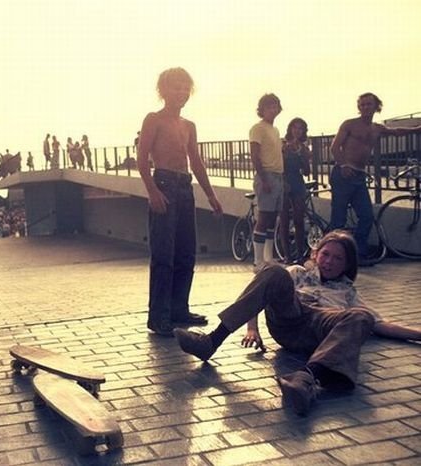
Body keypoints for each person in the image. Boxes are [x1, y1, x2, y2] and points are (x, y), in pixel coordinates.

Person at [174, 230, 421, 416]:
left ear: (347, 265)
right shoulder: (298, 273)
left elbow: (382, 323)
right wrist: (252, 328)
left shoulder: (349, 292)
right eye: (325, 254)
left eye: (338, 258)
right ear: (315, 254)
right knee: (273, 270)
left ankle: (305, 379)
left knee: (362, 315)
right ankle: (211, 341)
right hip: (289, 317)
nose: (329, 261)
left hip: (320, 328)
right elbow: (263, 291)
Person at [137, 67, 223, 336]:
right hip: (163, 183)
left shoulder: (189, 126)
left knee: (186, 252)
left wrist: (211, 195)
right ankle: (159, 317)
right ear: (163, 90)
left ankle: (179, 310)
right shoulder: (154, 119)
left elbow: (195, 162)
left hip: (185, 188)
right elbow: (141, 158)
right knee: (164, 254)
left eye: (186, 87)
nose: (182, 92)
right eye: (176, 87)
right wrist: (152, 191)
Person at [330, 93, 421, 263]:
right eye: (362, 104)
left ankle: (357, 253)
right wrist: (343, 165)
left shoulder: (376, 128)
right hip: (342, 175)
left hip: (359, 177)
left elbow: (397, 131)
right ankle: (332, 256)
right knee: (338, 219)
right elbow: (334, 148)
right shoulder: (349, 124)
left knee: (366, 216)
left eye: (368, 104)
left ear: (376, 106)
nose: (365, 107)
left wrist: (416, 129)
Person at [249, 94, 283, 272]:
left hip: (278, 176)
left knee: (273, 218)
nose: (273, 109)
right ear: (261, 109)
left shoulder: (275, 130)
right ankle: (258, 261)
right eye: (269, 106)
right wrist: (263, 179)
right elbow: (255, 155)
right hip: (267, 176)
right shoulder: (258, 128)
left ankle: (268, 258)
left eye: (275, 106)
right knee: (263, 218)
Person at [279, 118, 312, 263]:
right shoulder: (282, 145)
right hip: (284, 182)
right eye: (295, 127)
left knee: (299, 219)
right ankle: (287, 255)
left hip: (298, 182)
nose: (297, 131)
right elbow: (278, 166)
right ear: (290, 129)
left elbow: (306, 171)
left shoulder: (304, 148)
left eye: (300, 128)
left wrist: (304, 156)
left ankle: (300, 254)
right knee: (284, 219)